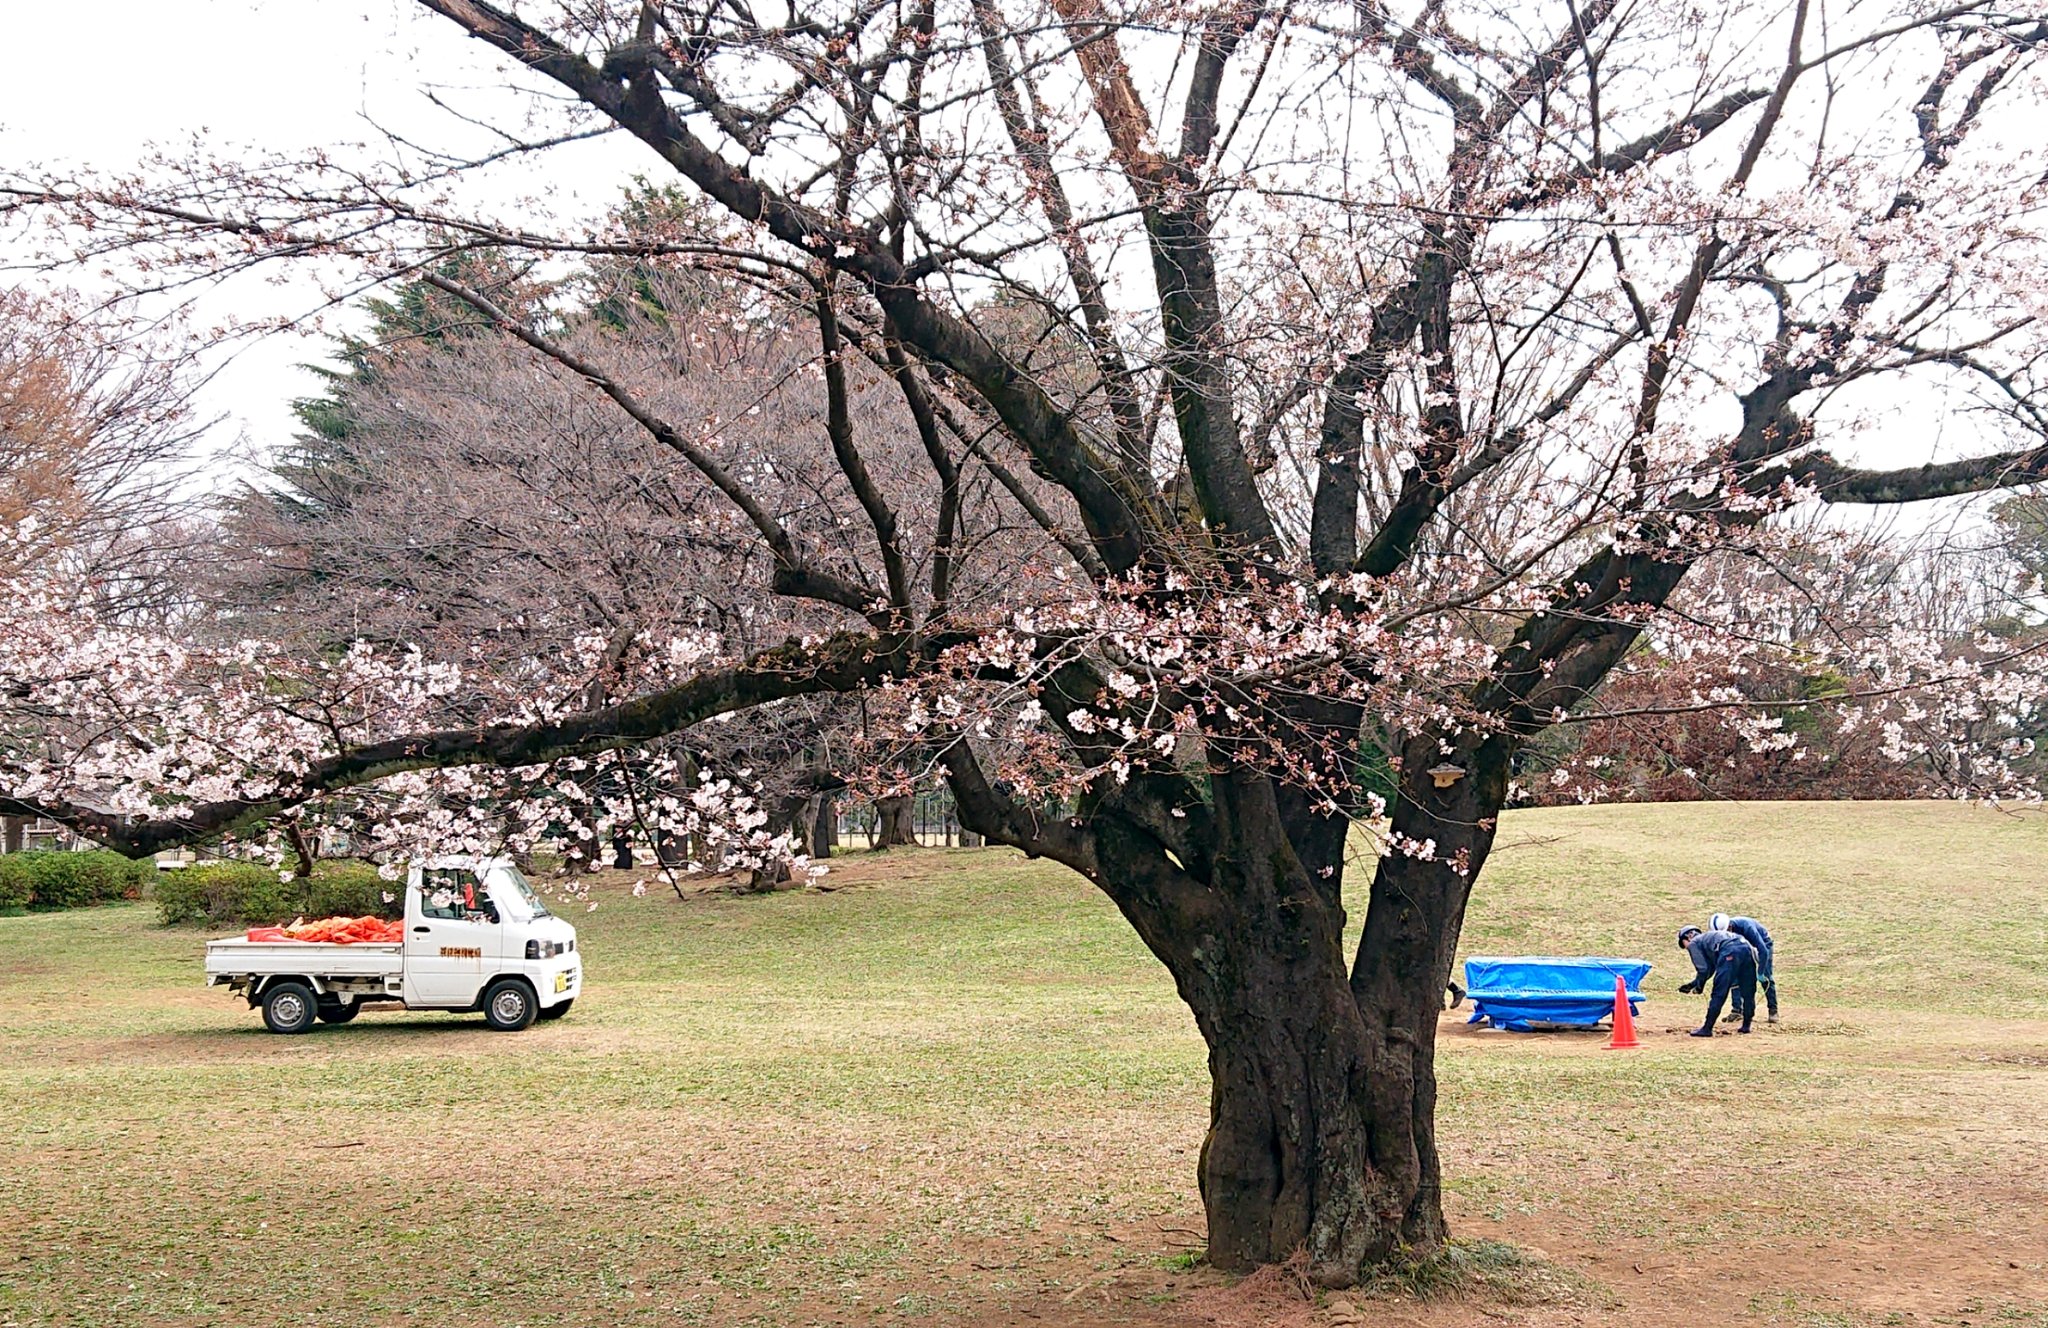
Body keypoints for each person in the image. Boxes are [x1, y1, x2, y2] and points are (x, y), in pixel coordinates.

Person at [1676, 925, 1757, 1036]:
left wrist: (1699, 987)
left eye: (1683, 944)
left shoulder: (1694, 943)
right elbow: (1710, 969)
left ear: (1688, 936)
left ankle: (1707, 1028)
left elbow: (1703, 969)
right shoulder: (1710, 939)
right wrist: (1693, 984)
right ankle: (1746, 1026)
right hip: (1746, 947)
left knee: (1719, 993)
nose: (1686, 948)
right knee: (1748, 991)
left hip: (1729, 951)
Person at [1709, 912, 1778, 1023]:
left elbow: (1763, 950)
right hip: (1742, 946)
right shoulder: (1722, 934)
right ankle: (1737, 1010)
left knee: (1766, 976)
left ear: (1730, 926)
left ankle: (1773, 1010)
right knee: (1735, 976)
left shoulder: (1747, 927)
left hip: (1762, 944)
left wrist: (1760, 972)